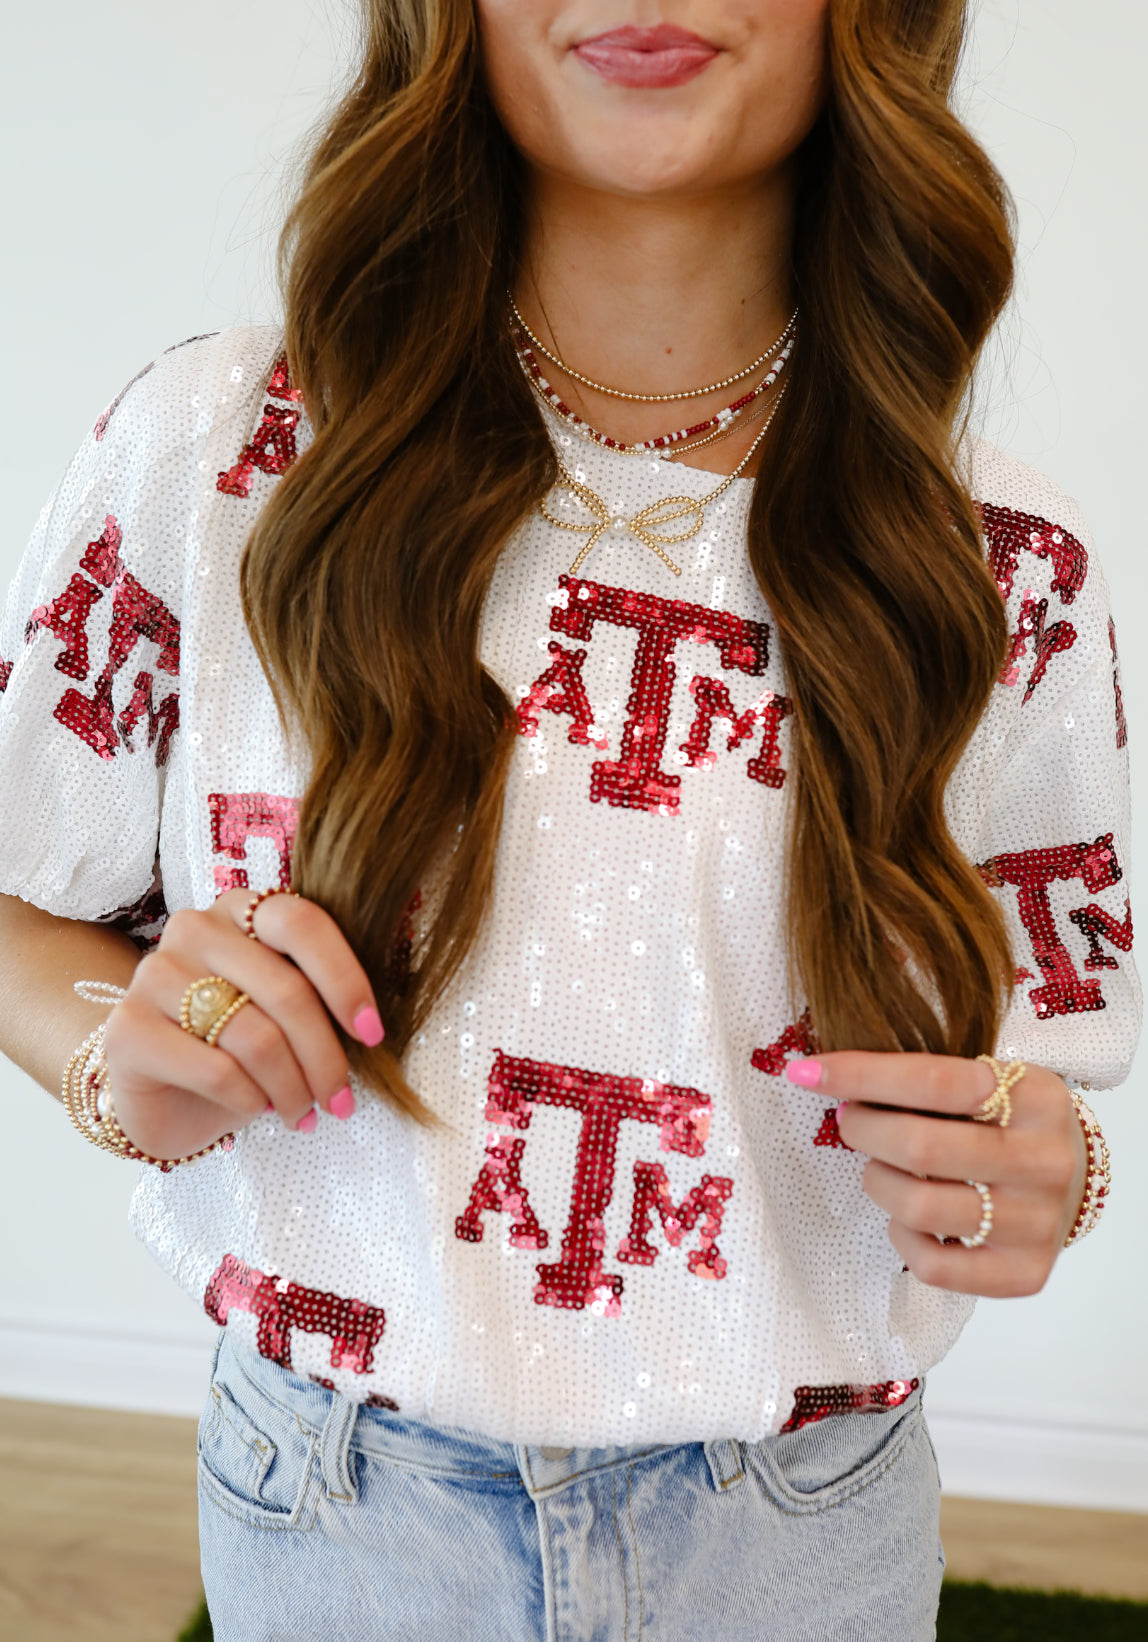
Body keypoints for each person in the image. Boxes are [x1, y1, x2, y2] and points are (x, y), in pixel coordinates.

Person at [0, 2, 1135, 1637]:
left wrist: (1051, 1173)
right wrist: (122, 1063)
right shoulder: (224, 453)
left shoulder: (1002, 562)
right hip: (344, 1518)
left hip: (801, 1536)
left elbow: (1037, 1075)